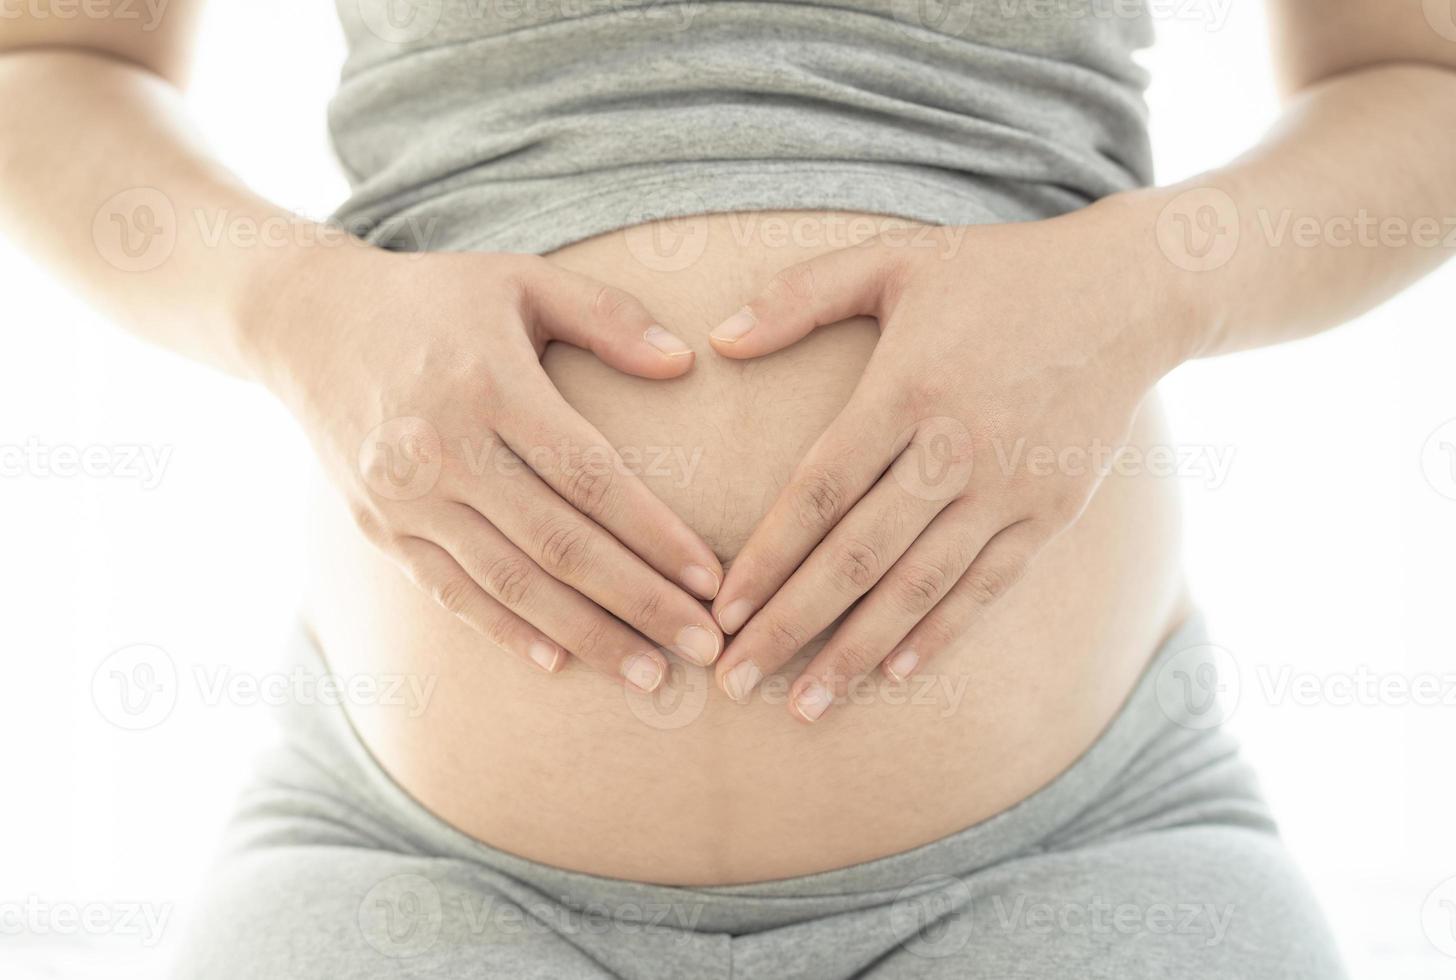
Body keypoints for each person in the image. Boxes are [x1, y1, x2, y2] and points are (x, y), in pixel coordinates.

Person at [2, 0, 1449, 976]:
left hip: (1082, 850)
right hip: (413, 869)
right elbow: (50, 61)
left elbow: (1418, 76)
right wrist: (290, 305)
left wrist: (1154, 283)